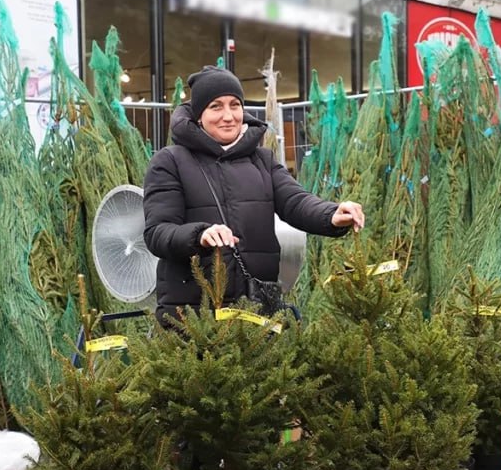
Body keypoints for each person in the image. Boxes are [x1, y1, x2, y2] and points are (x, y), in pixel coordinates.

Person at [143, 65, 364, 328]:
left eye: (235, 105)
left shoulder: (262, 160)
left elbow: (296, 201)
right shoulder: (170, 162)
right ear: (199, 115)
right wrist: (199, 235)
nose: (228, 116)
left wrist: (332, 214)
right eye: (216, 106)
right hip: (193, 315)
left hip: (256, 309)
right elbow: (157, 232)